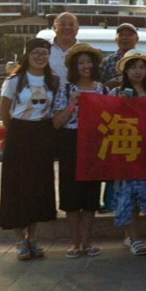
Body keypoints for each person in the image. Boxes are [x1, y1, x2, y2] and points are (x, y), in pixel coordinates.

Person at [0, 38, 59, 260]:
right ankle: (19, 240)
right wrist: (15, 131)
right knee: (16, 186)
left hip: (43, 134)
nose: (40, 57)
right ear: (27, 55)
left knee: (38, 185)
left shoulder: (53, 80)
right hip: (19, 134)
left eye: (44, 53)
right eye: (36, 53)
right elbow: (4, 111)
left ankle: (33, 237)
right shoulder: (14, 80)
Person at [52, 43, 107, 258]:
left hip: (94, 143)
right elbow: (56, 122)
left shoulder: (102, 90)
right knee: (71, 194)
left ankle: (88, 242)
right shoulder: (66, 90)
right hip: (71, 142)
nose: (86, 66)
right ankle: (74, 242)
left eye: (89, 62)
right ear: (74, 67)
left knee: (91, 195)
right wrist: (72, 104)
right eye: (81, 62)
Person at [110, 50, 146, 256]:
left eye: (142, 67)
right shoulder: (116, 92)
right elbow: (106, 117)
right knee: (128, 194)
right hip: (126, 150)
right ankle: (133, 238)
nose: (138, 71)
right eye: (133, 67)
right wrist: (119, 104)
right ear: (125, 70)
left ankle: (130, 235)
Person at [100, 23, 146, 90]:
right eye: (121, 35)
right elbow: (96, 88)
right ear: (116, 40)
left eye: (129, 35)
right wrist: (109, 84)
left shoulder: (145, 61)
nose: (125, 38)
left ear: (137, 39)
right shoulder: (108, 61)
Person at [48, 12, 79, 85]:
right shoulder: (44, 49)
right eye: (62, 24)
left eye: (71, 25)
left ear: (77, 28)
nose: (67, 27)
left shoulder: (84, 51)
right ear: (54, 28)